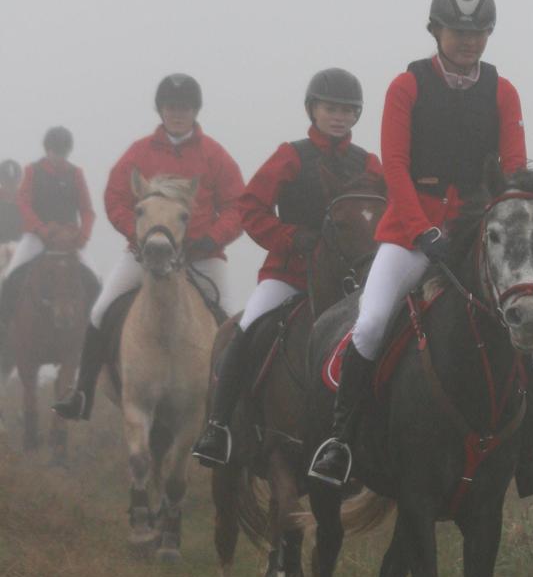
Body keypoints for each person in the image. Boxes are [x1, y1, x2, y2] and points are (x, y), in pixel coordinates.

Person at [308, 0, 533, 496]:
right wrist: (422, 231)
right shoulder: (406, 87)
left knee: (532, 338)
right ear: (436, 31)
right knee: (368, 325)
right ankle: (341, 443)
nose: (469, 41)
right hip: (410, 233)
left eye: (479, 31)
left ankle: (531, 456)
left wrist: (495, 228)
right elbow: (394, 165)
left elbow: (513, 169)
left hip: (477, 237)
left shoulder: (503, 92)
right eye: (459, 30)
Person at [193, 68, 383, 467]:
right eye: (331, 108)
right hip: (290, 273)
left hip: (350, 282)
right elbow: (250, 208)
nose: (339, 117)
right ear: (313, 109)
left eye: (348, 111)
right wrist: (292, 237)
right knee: (245, 331)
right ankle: (218, 426)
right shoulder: (290, 155)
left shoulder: (368, 163)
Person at [55, 74, 243, 420]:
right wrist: (138, 235)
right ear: (161, 110)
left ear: (195, 111)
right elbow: (116, 198)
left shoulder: (214, 155)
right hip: (144, 253)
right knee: (100, 310)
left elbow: (236, 205)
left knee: (232, 323)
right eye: (171, 107)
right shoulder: (139, 152)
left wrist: (212, 238)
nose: (177, 114)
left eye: (184, 108)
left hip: (201, 256)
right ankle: (82, 393)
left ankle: (233, 412)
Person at [0, 129, 96, 345]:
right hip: (37, 237)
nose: (58, 156)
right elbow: (24, 204)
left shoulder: (76, 173)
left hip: (69, 238)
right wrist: (40, 229)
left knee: (93, 277)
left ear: (68, 151)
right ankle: (4, 325)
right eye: (54, 151)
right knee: (11, 276)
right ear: (47, 150)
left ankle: (93, 332)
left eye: (62, 152)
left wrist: (83, 236)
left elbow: (87, 210)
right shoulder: (32, 171)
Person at [0, 159, 24, 246]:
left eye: (13, 182)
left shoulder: (26, 199)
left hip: (20, 245)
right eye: (6, 181)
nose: (10, 186)